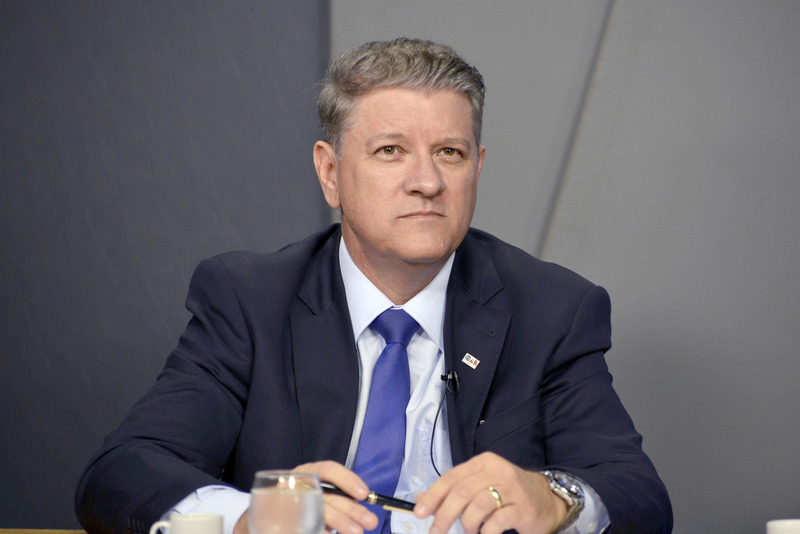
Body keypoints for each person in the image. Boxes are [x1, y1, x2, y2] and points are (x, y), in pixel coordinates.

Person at [75, 38, 672, 534]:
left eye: (450, 152)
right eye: (391, 151)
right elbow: (123, 471)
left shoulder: (551, 308)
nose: (427, 181)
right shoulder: (251, 300)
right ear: (330, 172)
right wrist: (248, 519)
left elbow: (638, 493)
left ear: (477, 168)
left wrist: (556, 497)